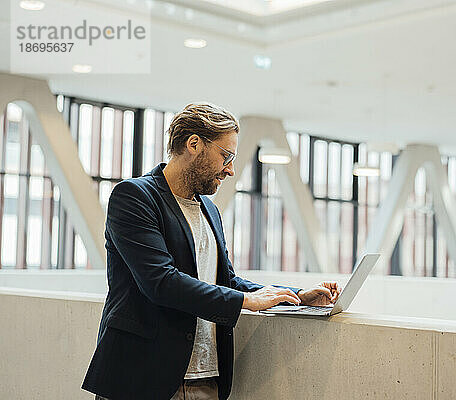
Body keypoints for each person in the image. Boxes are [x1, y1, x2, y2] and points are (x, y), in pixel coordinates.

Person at [82, 103, 340, 400]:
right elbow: (160, 282)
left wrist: (296, 296)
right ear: (193, 144)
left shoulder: (210, 210)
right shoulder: (134, 197)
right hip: (141, 377)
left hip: (207, 380)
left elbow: (225, 281)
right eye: (225, 156)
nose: (230, 170)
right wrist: (247, 301)